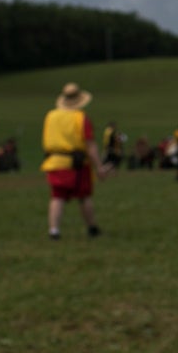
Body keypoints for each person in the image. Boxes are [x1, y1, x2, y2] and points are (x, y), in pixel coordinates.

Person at [40, 82, 112, 239]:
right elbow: (90, 144)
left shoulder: (50, 116)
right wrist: (99, 166)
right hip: (76, 164)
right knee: (84, 196)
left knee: (57, 196)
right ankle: (92, 228)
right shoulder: (80, 118)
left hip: (54, 162)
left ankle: (54, 230)